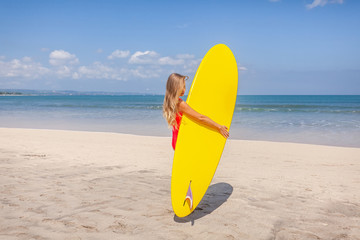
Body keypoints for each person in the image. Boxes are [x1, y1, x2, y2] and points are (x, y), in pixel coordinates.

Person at [163, 73, 229, 150]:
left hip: (176, 141)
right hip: (183, 142)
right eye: (182, 87)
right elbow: (200, 118)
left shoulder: (170, 103)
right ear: (175, 88)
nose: (184, 89)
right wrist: (218, 127)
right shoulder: (180, 104)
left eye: (185, 86)